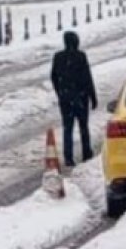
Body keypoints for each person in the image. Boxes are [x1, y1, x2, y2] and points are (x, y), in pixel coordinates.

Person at [50, 31, 99, 167]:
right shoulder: (80, 56)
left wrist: (60, 92)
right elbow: (87, 78)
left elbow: (53, 76)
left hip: (66, 99)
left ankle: (68, 157)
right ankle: (86, 153)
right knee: (83, 127)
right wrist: (92, 96)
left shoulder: (58, 57)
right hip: (81, 98)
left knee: (68, 128)